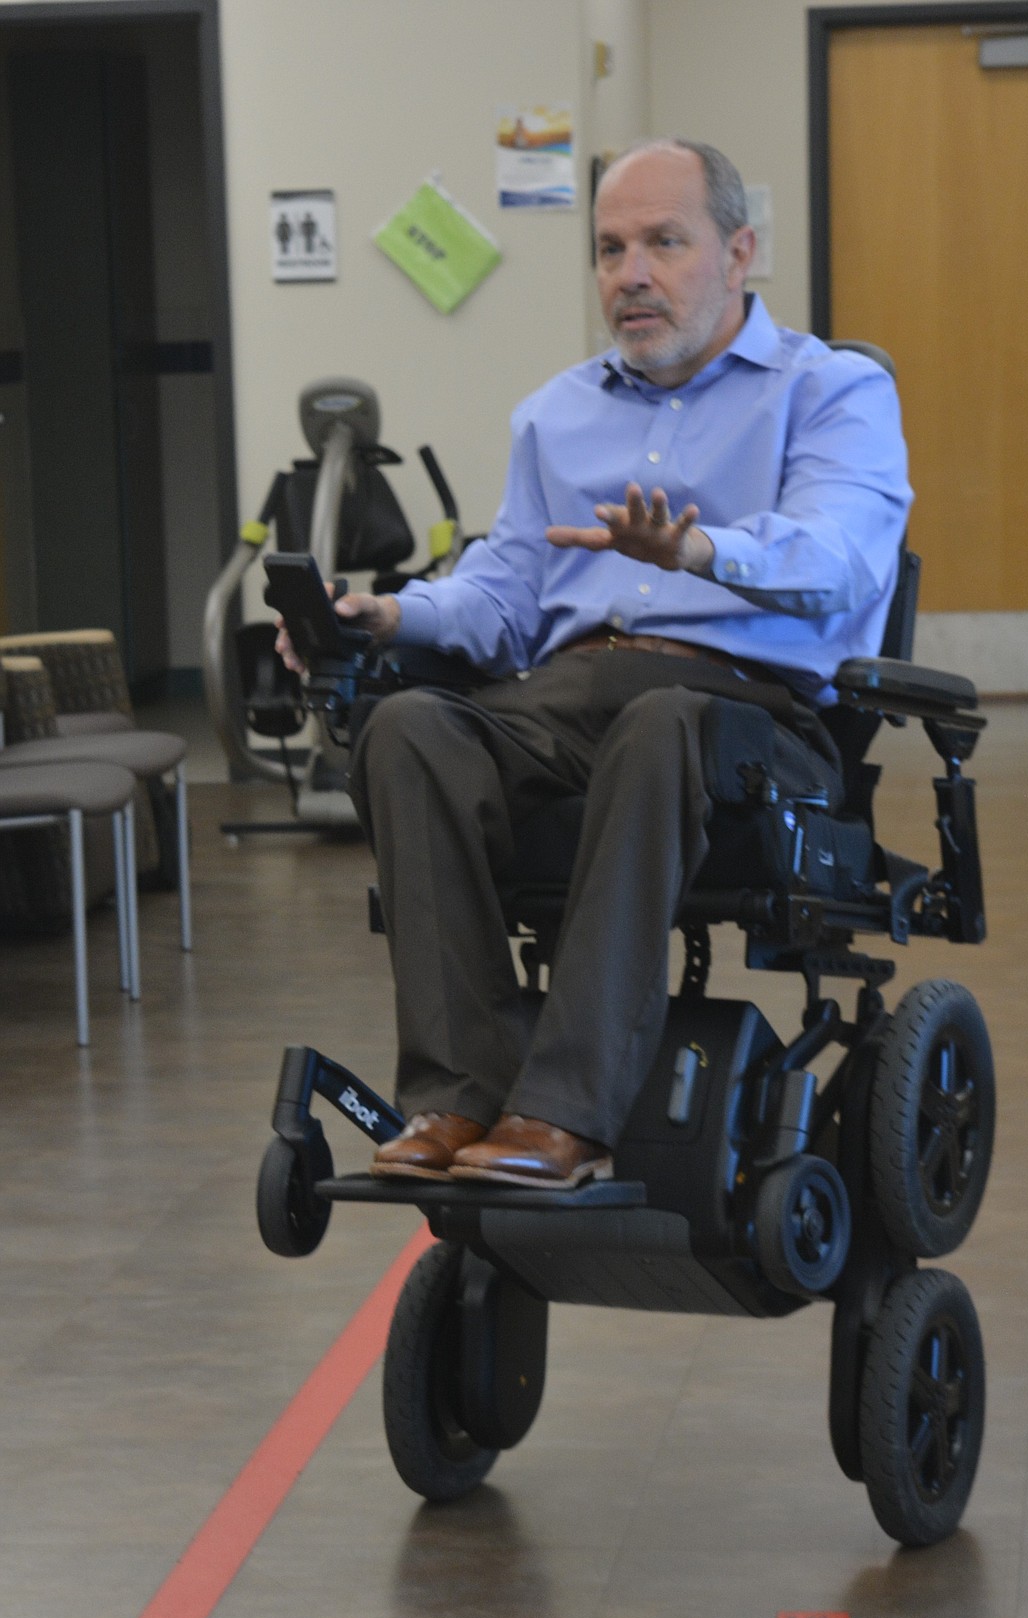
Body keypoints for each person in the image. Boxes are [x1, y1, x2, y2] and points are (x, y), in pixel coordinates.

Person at [277, 138, 913, 1190]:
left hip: (748, 717)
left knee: (664, 719)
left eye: (666, 242)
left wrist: (698, 550)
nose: (632, 274)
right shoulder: (556, 415)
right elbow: (503, 595)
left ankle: (564, 1111)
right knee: (411, 728)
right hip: (567, 694)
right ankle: (457, 1091)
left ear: (739, 249)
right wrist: (387, 613)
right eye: (612, 249)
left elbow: (843, 561)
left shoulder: (831, 392)